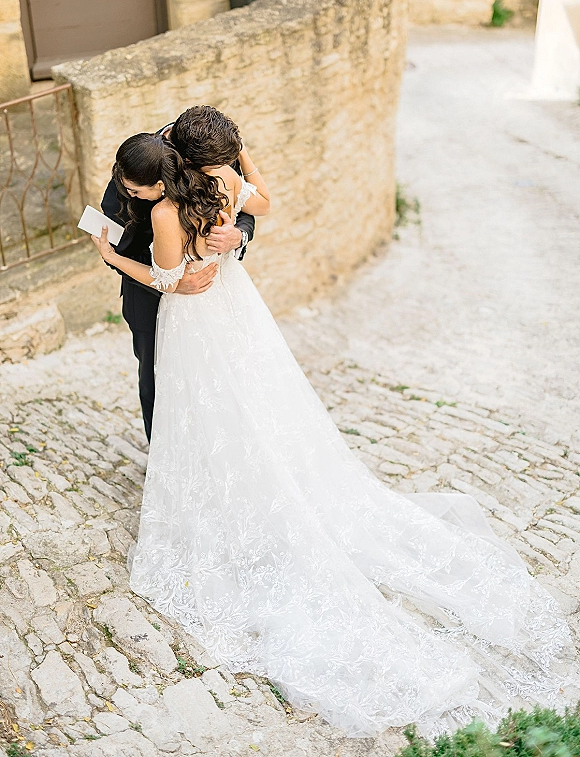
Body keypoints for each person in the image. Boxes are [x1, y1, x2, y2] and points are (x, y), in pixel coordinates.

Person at [91, 107, 574, 738]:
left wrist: (226, 238)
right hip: (220, 306)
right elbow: (247, 201)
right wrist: (223, 231)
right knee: (206, 392)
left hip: (197, 305)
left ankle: (216, 483)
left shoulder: (171, 199)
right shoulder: (165, 174)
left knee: (213, 396)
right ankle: (194, 467)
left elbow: (174, 279)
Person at [101, 108, 256, 441]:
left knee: (221, 375)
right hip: (149, 303)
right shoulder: (132, 176)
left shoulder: (211, 149)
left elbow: (245, 209)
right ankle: (165, 458)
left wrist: (237, 235)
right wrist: (170, 278)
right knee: (157, 382)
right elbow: (114, 245)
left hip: (212, 295)